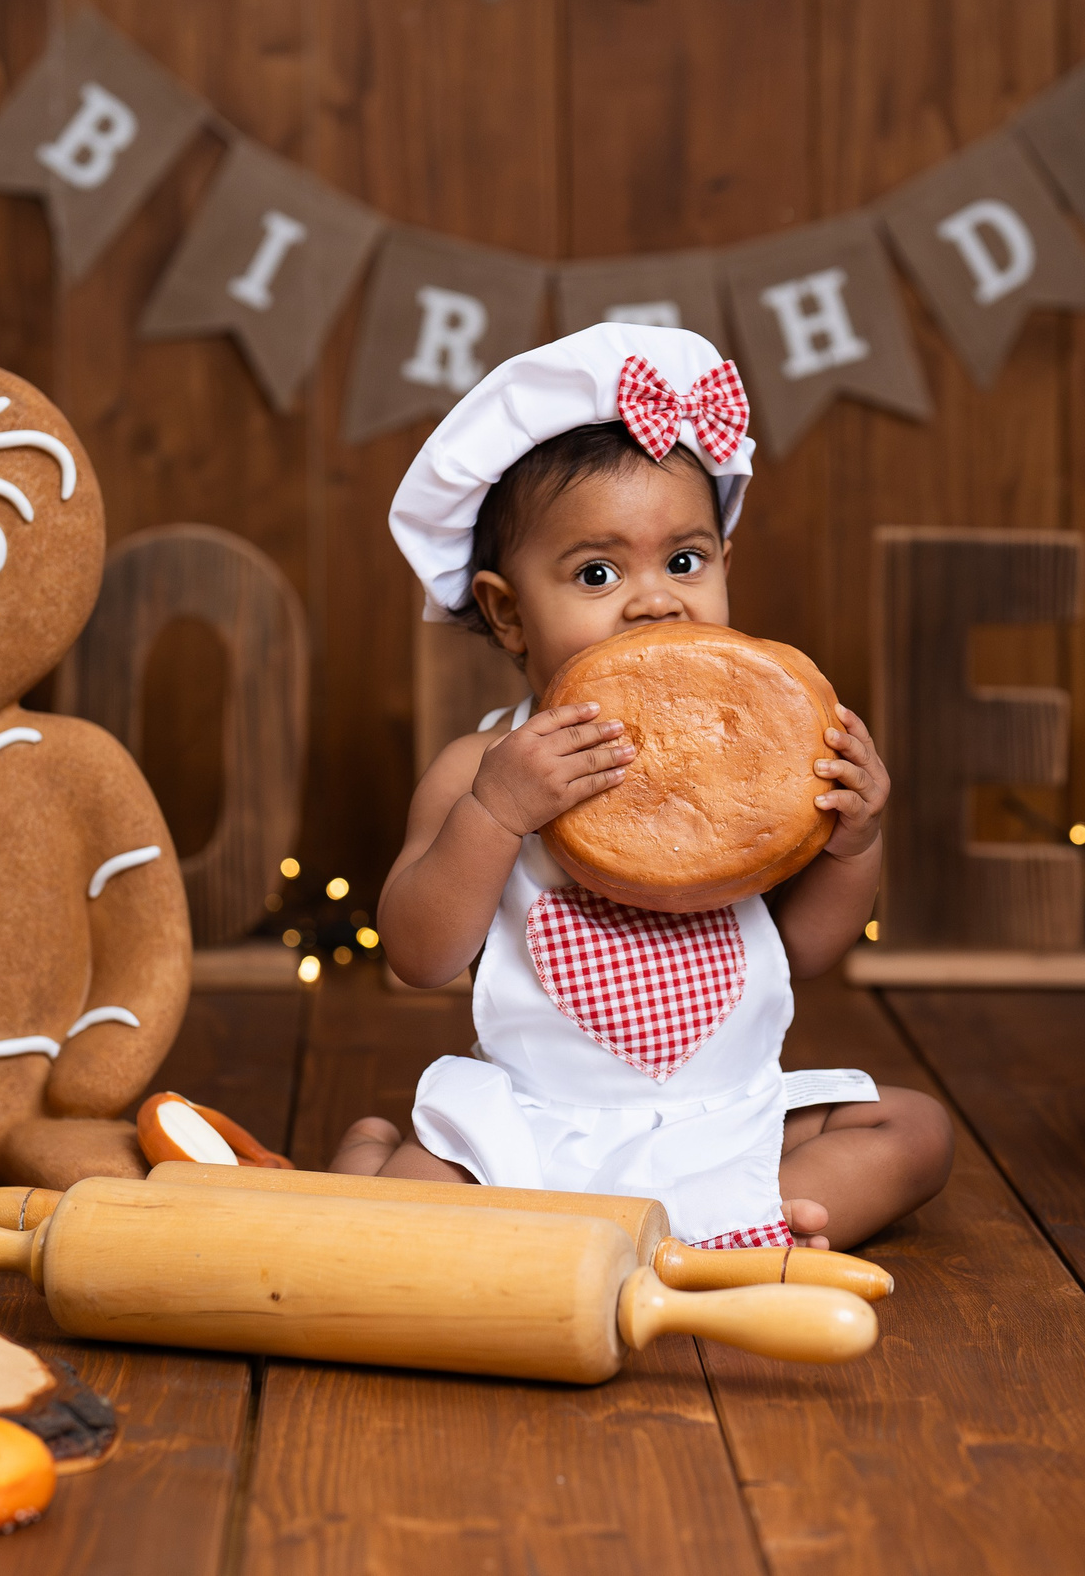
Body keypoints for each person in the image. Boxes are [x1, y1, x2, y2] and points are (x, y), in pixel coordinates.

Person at [328, 324, 952, 1251]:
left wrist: (855, 840)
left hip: (722, 1118)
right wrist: (496, 815)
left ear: (725, 569)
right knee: (416, 1214)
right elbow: (419, 956)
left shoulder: (753, 765)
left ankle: (691, 1223)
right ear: (507, 613)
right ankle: (397, 1167)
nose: (654, 600)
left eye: (686, 562)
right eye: (596, 572)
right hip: (537, 1130)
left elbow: (805, 950)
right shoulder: (479, 768)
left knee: (916, 1133)